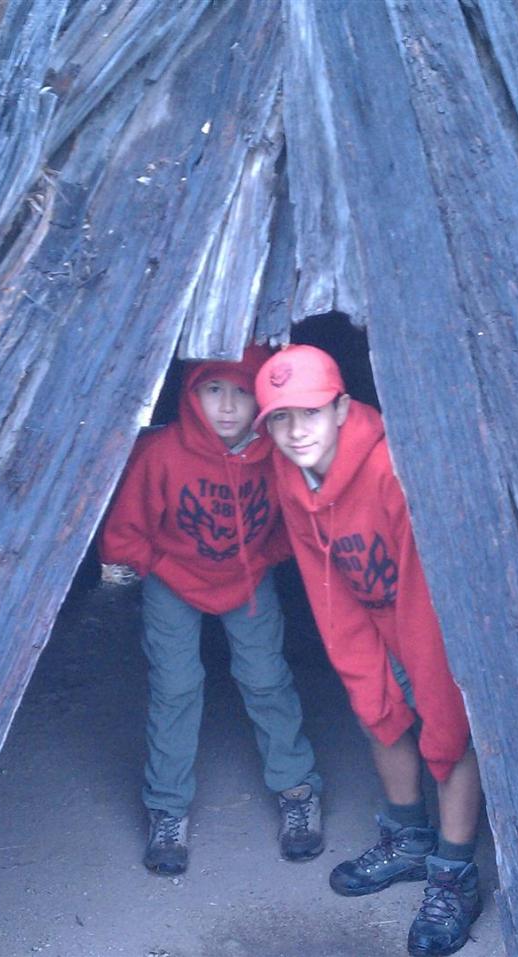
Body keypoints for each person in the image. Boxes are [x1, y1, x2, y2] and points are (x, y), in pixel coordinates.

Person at [253, 344, 483, 957]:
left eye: (310, 412)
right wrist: (362, 668)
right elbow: (322, 577)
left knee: (448, 734)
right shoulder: (291, 472)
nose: (296, 431)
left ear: (342, 408)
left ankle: (454, 876)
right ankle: (408, 839)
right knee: (374, 709)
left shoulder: (389, 468)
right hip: (372, 610)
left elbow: (422, 589)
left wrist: (429, 683)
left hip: (432, 617)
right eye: (280, 417)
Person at [99, 346, 323, 876]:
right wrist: (161, 565)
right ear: (190, 392)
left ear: (262, 400)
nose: (226, 406)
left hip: (247, 579)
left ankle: (297, 790)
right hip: (172, 579)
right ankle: (167, 807)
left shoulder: (277, 452)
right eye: (213, 389)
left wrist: (262, 559)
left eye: (242, 391)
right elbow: (123, 534)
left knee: (266, 678)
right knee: (175, 686)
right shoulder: (161, 453)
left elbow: (299, 523)